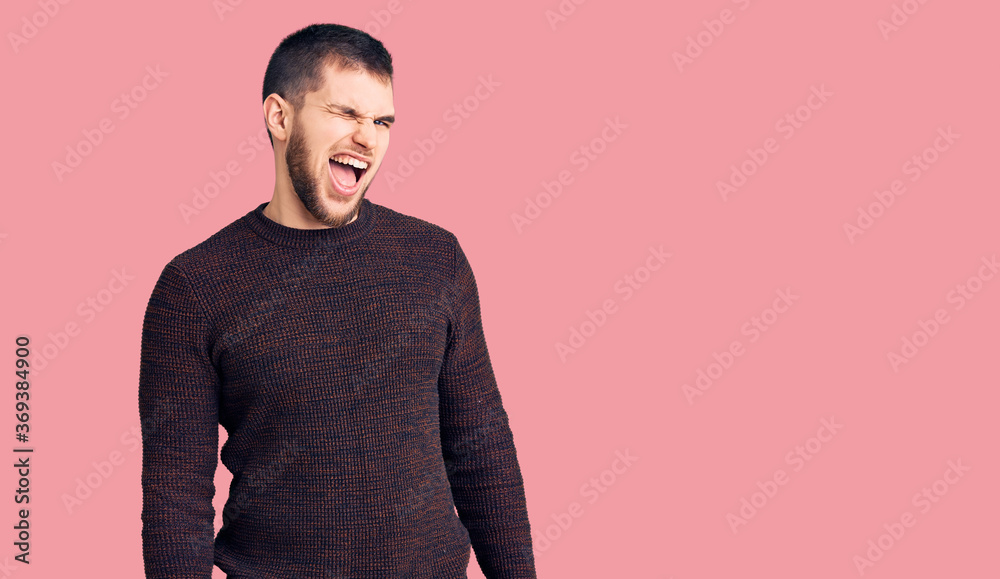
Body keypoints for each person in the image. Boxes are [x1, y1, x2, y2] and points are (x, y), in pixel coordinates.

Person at [138, 23, 536, 578]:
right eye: (345, 114)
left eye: (381, 122)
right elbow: (175, 500)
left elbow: (481, 448)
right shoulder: (194, 286)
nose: (368, 139)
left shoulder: (434, 258)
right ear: (279, 117)